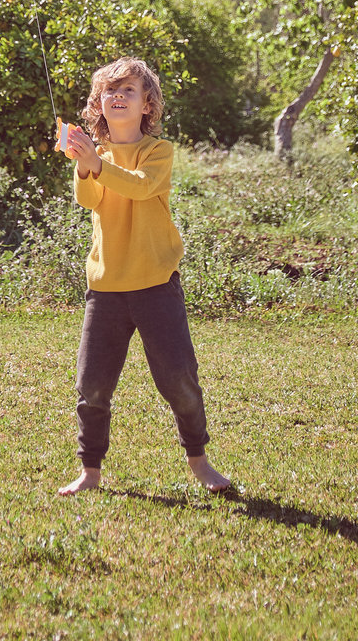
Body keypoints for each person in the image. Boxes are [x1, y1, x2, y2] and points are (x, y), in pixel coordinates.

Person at [57, 56, 231, 496]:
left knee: (179, 380)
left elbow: (138, 185)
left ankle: (199, 461)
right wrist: (84, 162)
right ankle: (90, 472)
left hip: (156, 284)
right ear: (98, 104)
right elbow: (88, 197)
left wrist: (96, 160)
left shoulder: (159, 151)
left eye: (128, 90)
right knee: (91, 386)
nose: (117, 96)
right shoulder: (95, 155)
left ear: (147, 104)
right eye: (109, 91)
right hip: (106, 288)